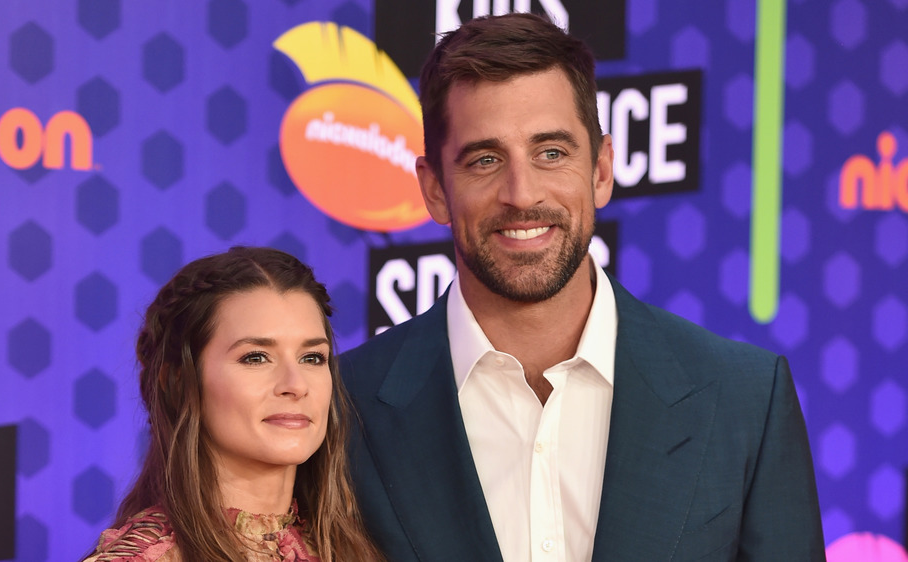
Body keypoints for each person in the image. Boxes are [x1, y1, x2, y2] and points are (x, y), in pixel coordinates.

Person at [340, 13, 826, 561]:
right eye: (485, 160)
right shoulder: (343, 408)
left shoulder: (744, 401)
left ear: (600, 170)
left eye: (551, 153)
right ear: (433, 190)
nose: (521, 194)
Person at [83, 246, 383, 562]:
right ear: (177, 382)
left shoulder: (350, 549)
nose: (295, 385)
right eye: (255, 357)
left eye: (312, 358)